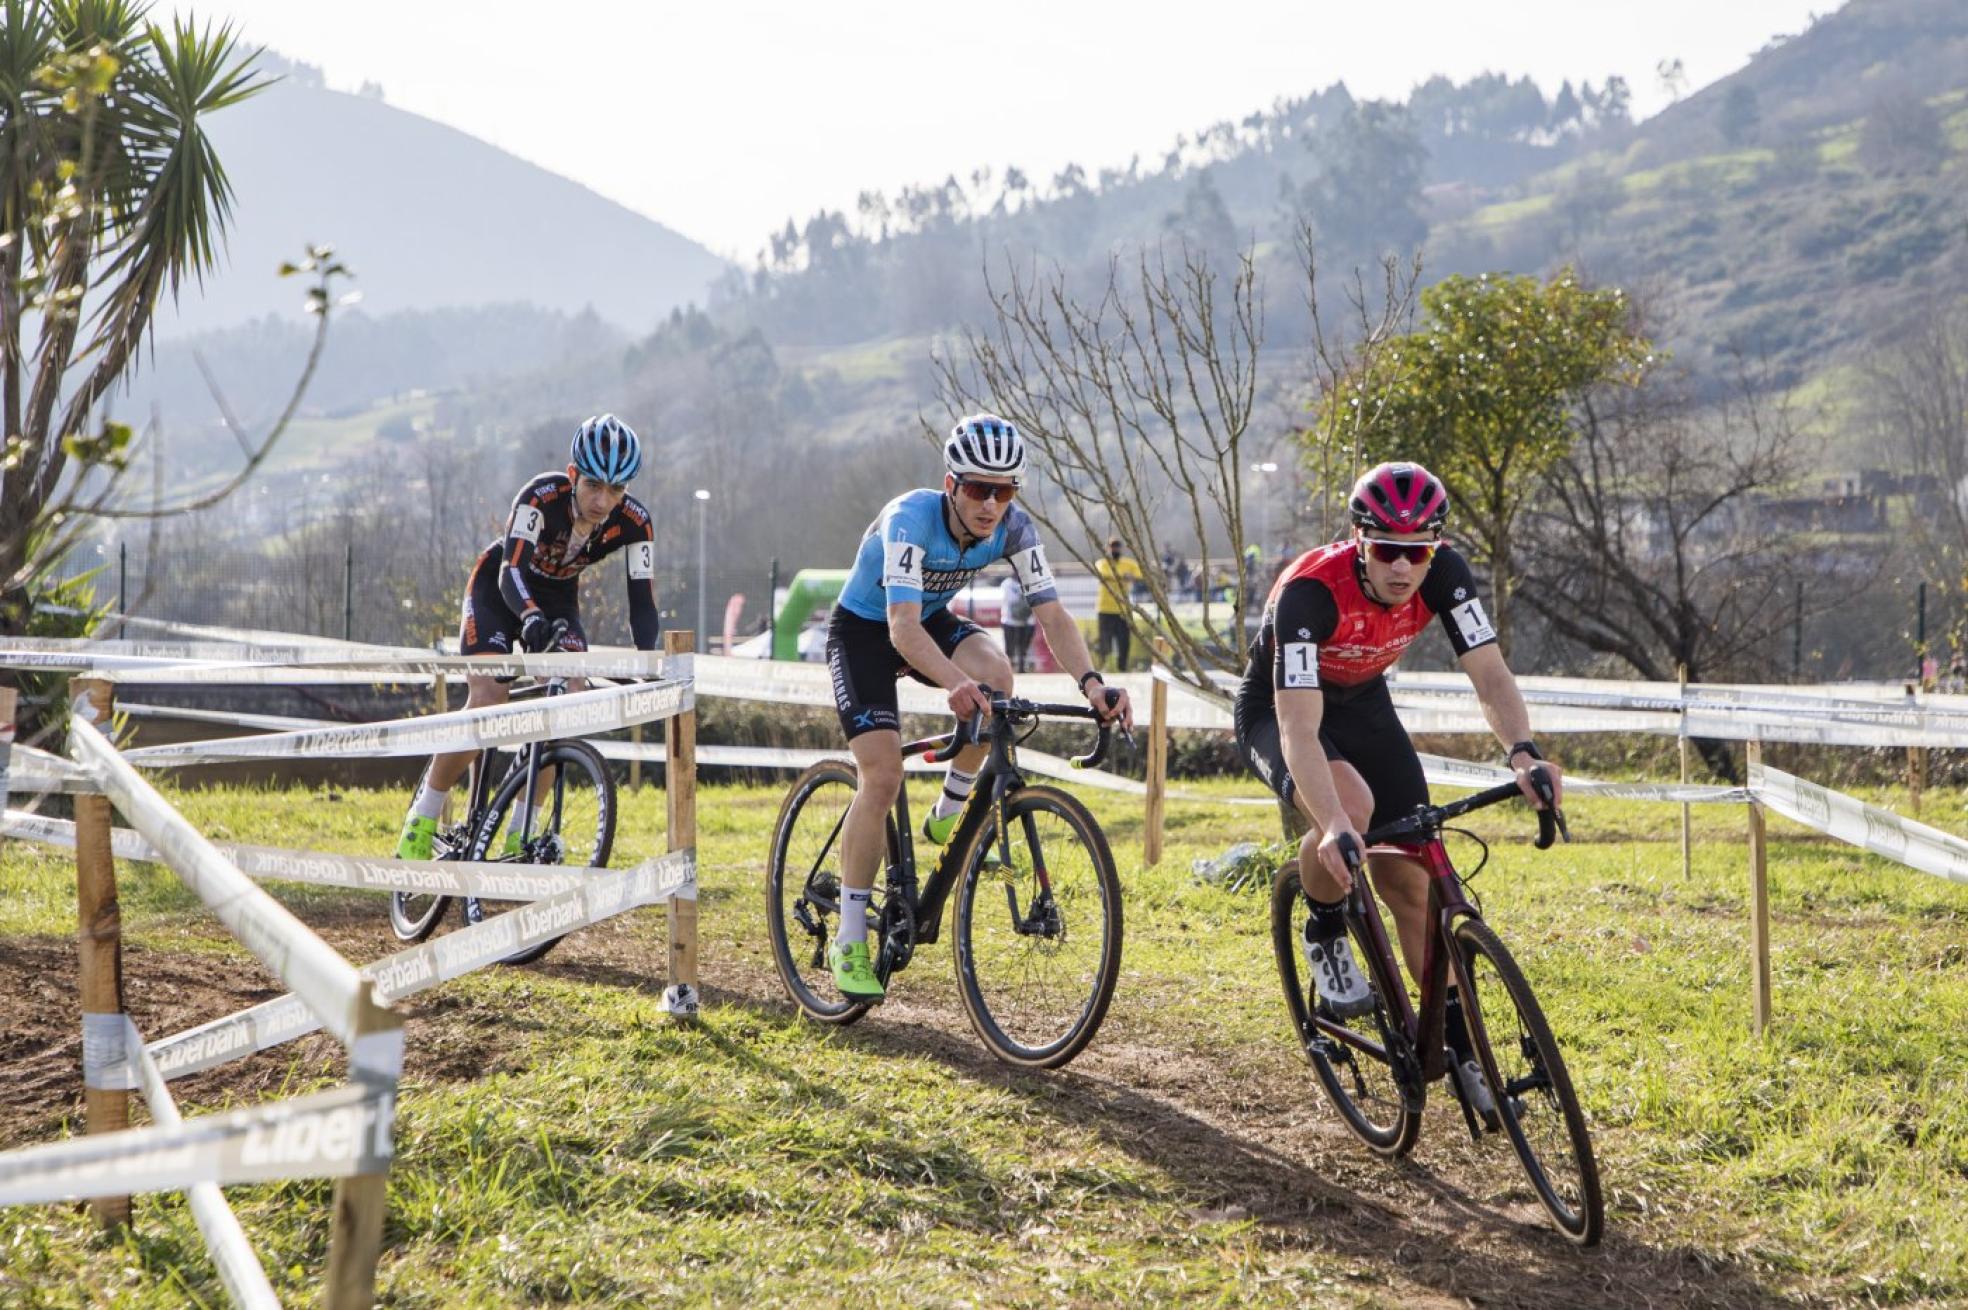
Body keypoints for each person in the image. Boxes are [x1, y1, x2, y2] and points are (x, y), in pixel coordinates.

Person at [1233, 460, 1563, 1119]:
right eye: (1386, 550)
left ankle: (1461, 1050)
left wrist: (1523, 752)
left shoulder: (1445, 574)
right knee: (1349, 807)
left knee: (1414, 879)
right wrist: (1330, 823)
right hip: (1282, 712)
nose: (1402, 568)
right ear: (1359, 541)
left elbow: (1491, 676)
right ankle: (1324, 925)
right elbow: (1299, 727)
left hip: (1363, 703)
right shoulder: (1309, 595)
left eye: (1418, 552)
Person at [825, 413, 1133, 999]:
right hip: (868, 631)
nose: (991, 504)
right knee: (883, 776)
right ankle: (849, 937)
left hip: (928, 619)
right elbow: (900, 629)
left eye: (1005, 490)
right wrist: (951, 685)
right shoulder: (909, 520)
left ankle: (951, 806)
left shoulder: (1014, 528)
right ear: (950, 485)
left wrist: (1093, 684)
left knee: (997, 675)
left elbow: (1052, 615)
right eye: (977, 489)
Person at [394, 414, 660, 860]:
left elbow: (643, 603)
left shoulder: (634, 523)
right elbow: (510, 571)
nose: (602, 500)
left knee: (566, 703)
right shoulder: (540, 497)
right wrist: (530, 616)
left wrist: (650, 660)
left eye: (616, 490)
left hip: (558, 599)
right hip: (501, 592)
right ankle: (423, 817)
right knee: (488, 700)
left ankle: (521, 832)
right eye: (594, 485)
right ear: (573, 475)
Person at [1093, 536, 1143, 669]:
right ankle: (1106, 666)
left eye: (1117, 546)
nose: (1115, 549)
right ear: (1108, 548)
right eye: (1112, 547)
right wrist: (1123, 577)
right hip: (1105, 609)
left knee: (1124, 641)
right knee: (1105, 640)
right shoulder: (1102, 563)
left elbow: (1138, 576)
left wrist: (1127, 577)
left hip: (1123, 610)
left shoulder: (1129, 563)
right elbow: (1103, 574)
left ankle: (1122, 667)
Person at [999, 571, 1035, 673]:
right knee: (1010, 647)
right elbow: (1007, 601)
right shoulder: (1007, 584)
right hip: (1010, 621)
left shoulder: (1030, 583)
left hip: (1027, 621)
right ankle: (1009, 669)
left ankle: (1022, 668)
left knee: (1024, 648)